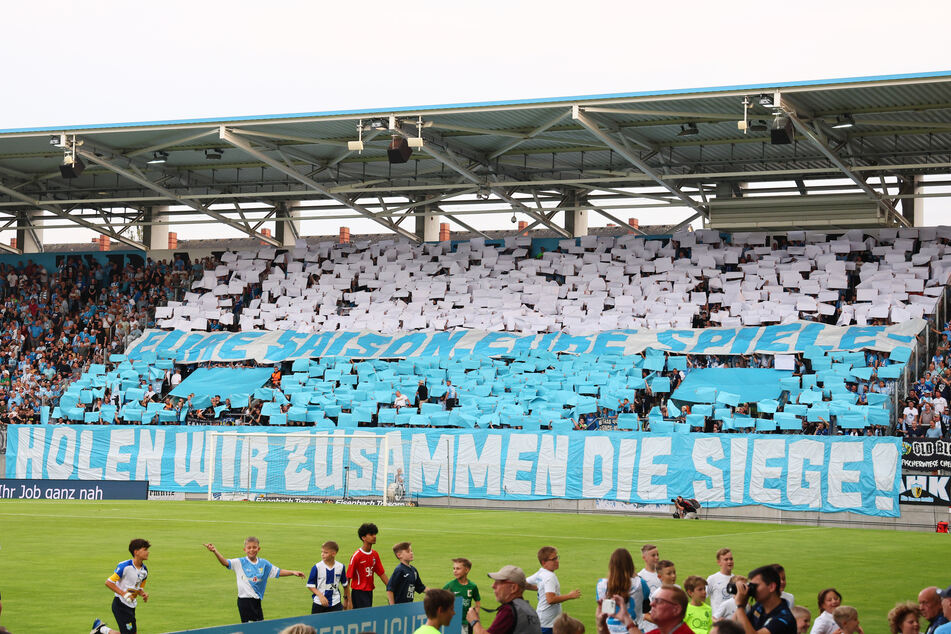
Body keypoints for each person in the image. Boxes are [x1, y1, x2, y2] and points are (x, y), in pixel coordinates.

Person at [204, 537, 304, 623]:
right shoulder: (239, 562)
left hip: (257, 601)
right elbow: (225, 562)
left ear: (258, 548)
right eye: (249, 547)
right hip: (245, 601)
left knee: (259, 626)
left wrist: (292, 572)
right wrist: (215, 551)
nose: (252, 550)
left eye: (254, 547)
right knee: (251, 629)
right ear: (244, 549)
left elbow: (278, 572)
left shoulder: (264, 564)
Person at [91, 539, 151, 634]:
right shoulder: (125, 566)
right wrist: (124, 594)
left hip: (131, 606)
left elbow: (138, 587)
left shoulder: (144, 571)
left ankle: (101, 630)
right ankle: (102, 630)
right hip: (120, 605)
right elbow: (109, 582)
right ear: (136, 552)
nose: (148, 552)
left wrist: (143, 594)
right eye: (145, 550)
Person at [466, 565, 541, 634]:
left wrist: (474, 621)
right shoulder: (530, 609)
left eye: (499, 582)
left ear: (513, 588)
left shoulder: (509, 610)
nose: (493, 586)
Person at [526, 546, 581, 634]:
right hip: (548, 623)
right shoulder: (549, 577)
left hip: (542, 619)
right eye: (553, 559)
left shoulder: (541, 572)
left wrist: (540, 588)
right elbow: (550, 599)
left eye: (557, 557)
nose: (557, 561)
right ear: (544, 563)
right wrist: (570, 596)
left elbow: (523, 583)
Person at [596, 548, 651, 634]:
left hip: (611, 630)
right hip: (633, 629)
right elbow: (646, 602)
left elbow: (607, 610)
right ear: (630, 565)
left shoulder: (602, 585)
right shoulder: (640, 583)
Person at [731, 565, 796, 634]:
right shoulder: (760, 606)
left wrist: (740, 606)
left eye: (755, 586)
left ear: (771, 587)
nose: (753, 589)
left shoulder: (784, 618)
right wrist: (743, 605)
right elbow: (733, 628)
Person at [349, 523, 389, 609]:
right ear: (363, 537)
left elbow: (381, 573)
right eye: (371, 534)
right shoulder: (357, 556)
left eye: (375, 534)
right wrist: (347, 599)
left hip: (369, 591)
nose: (374, 536)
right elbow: (348, 577)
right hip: (359, 592)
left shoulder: (375, 554)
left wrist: (391, 589)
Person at [307, 540, 350, 613]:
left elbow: (345, 585)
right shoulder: (317, 567)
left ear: (333, 554)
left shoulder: (340, 567)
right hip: (319, 603)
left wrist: (347, 600)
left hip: (336, 603)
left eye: (325, 552)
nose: (322, 554)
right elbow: (310, 585)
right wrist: (321, 596)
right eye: (322, 552)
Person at [444, 557, 482, 634]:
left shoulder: (472, 586)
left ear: (467, 570)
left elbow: (477, 601)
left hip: (467, 622)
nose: (455, 571)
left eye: (458, 569)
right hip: (453, 622)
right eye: (454, 568)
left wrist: (476, 614)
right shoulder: (450, 586)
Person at [707, 548, 734, 616]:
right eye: (726, 559)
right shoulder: (712, 579)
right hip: (718, 621)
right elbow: (701, 597)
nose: (729, 561)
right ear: (719, 562)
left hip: (733, 622)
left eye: (731, 559)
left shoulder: (735, 579)